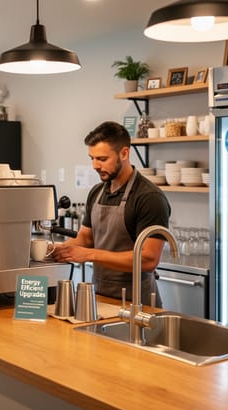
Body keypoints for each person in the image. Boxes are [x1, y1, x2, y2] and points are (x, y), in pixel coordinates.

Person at [51, 121, 171, 306]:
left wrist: (89, 255)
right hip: (100, 297)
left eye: (102, 159)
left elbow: (148, 259)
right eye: (91, 158)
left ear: (124, 153)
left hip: (137, 303)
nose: (95, 165)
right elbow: (85, 238)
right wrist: (58, 250)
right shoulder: (97, 192)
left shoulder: (149, 197)